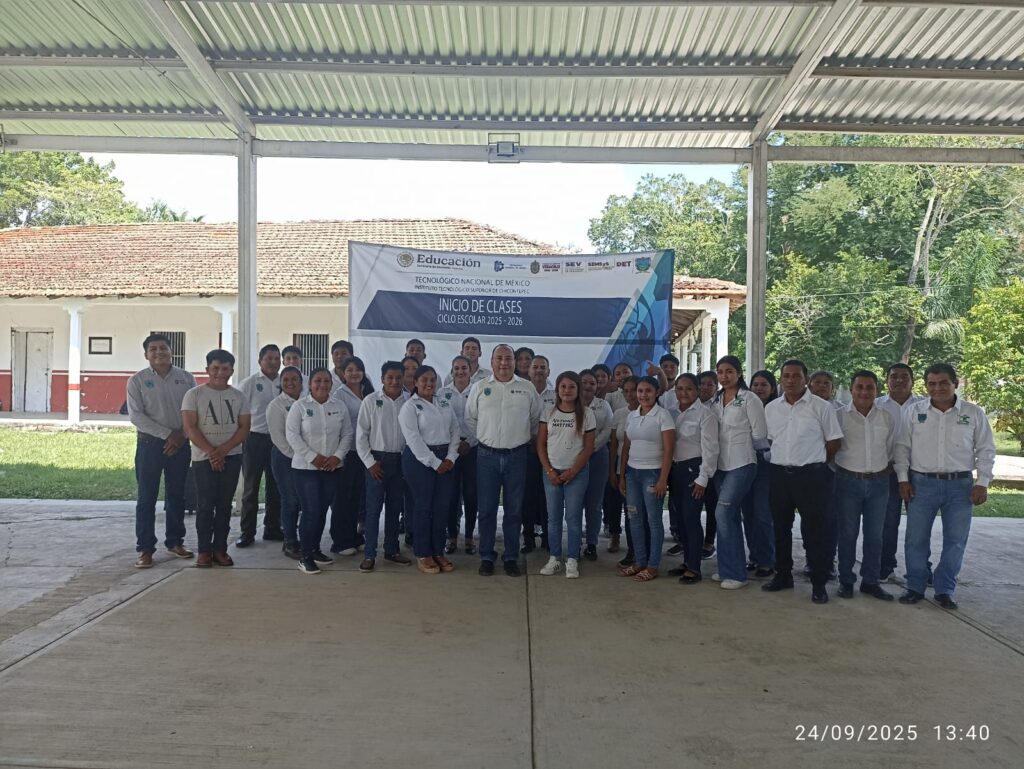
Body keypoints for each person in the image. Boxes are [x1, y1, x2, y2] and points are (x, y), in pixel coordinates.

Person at [895, 363, 995, 610]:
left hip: (960, 486)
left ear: (955, 384)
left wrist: (982, 482)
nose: (937, 388)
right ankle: (915, 586)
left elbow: (985, 449)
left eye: (943, 383)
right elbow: (902, 447)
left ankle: (945, 589)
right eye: (932, 383)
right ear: (926, 386)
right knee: (916, 539)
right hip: (921, 484)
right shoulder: (915, 412)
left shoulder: (973, 413)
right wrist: (903, 479)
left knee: (956, 540)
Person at [762, 360, 843, 604]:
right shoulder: (772, 408)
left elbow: (834, 442)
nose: (790, 380)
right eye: (786, 376)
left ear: (806, 379)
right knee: (780, 529)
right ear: (781, 379)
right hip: (779, 475)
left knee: (815, 531)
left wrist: (815, 462)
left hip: (812, 477)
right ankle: (783, 575)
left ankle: (819, 583)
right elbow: (772, 440)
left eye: (796, 376)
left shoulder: (821, 407)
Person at [465, 344, 542, 577]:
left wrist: (518, 438)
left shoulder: (527, 388)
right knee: (486, 509)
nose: (504, 363)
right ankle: (487, 556)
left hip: (517, 456)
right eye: (499, 358)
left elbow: (535, 420)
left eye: (508, 358)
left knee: (514, 510)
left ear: (514, 362)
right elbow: (471, 419)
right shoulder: (480, 387)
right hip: (486, 456)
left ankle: (510, 557)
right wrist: (486, 437)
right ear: (491, 362)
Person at [126, 333, 197, 568]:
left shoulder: (186, 378)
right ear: (146, 354)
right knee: (147, 497)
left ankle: (175, 542)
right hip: (150, 445)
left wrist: (182, 435)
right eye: (153, 349)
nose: (159, 352)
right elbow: (136, 416)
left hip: (180, 444)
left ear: (171, 351)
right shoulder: (137, 381)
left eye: (163, 348)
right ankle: (145, 549)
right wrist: (168, 435)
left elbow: (194, 410)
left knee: (177, 495)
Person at [181, 349, 251, 568]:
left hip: (231, 457)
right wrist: (212, 452)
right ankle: (204, 550)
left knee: (224, 505)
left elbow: (244, 427)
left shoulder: (239, 396)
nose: (220, 373)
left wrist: (223, 451)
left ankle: (220, 549)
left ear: (231, 370)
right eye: (215, 368)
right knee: (204, 504)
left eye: (225, 368)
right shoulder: (194, 395)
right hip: (203, 459)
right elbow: (190, 427)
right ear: (207, 369)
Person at [834, 370, 897, 601]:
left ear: (877, 390)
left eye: (869, 387)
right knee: (847, 534)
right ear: (851, 389)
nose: (864, 391)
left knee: (875, 536)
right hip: (847, 482)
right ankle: (846, 580)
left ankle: (870, 581)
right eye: (859, 387)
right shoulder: (839, 416)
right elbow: (831, 448)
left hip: (879, 483)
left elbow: (891, 448)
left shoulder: (886, 417)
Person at [286, 368, 353, 574]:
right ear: (310, 384)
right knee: (311, 510)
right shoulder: (300, 406)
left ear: (331, 384)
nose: (322, 384)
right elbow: (292, 435)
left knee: (322, 510)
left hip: (332, 468)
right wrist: (312, 457)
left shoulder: (339, 406)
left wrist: (337, 457)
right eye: (317, 381)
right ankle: (305, 556)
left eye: (326, 381)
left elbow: (347, 434)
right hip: (306, 468)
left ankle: (315, 549)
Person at [709, 355, 768, 590]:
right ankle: (728, 568)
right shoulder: (716, 400)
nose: (724, 376)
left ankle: (736, 574)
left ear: (739, 373)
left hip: (742, 463)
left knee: (722, 514)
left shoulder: (749, 399)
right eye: (720, 372)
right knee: (729, 516)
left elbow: (760, 434)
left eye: (729, 371)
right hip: (720, 465)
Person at [400, 365, 461, 574]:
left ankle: (438, 550)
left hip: (446, 458)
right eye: (424, 380)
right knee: (423, 507)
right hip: (420, 461)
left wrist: (451, 457)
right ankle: (423, 553)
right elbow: (413, 439)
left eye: (432, 380)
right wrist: (435, 463)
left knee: (441, 507)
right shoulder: (410, 406)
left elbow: (455, 430)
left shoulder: (444, 402)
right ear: (416, 382)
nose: (429, 384)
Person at [537, 371, 596, 578]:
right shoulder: (548, 412)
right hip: (551, 472)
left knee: (573, 517)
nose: (567, 390)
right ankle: (554, 558)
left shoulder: (587, 414)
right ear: (557, 389)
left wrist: (572, 471)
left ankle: (572, 559)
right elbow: (541, 444)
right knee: (553, 518)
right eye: (563, 386)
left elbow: (588, 448)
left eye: (572, 387)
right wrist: (549, 470)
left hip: (576, 474)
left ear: (578, 389)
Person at [355, 361, 412, 573]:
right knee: (373, 509)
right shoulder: (371, 401)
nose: (394, 381)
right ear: (382, 379)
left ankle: (391, 550)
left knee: (395, 508)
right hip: (377, 461)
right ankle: (370, 554)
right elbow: (361, 436)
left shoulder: (410, 401)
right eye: (390, 377)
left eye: (398, 377)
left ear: (404, 378)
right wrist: (370, 463)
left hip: (401, 461)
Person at [617, 376, 674, 582]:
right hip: (633, 474)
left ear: (657, 392)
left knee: (653, 520)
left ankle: (652, 565)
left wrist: (663, 480)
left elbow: (669, 450)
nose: (643, 395)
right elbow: (626, 447)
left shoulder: (663, 415)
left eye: (648, 390)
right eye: (640, 391)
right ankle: (639, 561)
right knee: (634, 518)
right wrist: (622, 475)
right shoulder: (632, 416)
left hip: (652, 473)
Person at [875, 363, 927, 582]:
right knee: (888, 521)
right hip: (888, 472)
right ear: (886, 380)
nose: (898, 380)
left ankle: (922, 568)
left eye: (904, 376)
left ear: (912, 381)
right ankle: (885, 565)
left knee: (920, 524)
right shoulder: (876, 405)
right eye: (894, 376)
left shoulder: (924, 406)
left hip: (917, 472)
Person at [667, 373, 719, 584]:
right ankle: (687, 561)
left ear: (697, 390)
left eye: (689, 388)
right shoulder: (671, 412)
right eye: (680, 389)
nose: (684, 393)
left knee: (691, 518)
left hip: (694, 470)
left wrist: (703, 478)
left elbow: (711, 449)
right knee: (680, 519)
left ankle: (695, 568)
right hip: (675, 470)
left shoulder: (705, 415)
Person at [236, 344, 283, 547]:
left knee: (276, 487)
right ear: (260, 361)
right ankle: (247, 532)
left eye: (277, 358)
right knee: (251, 488)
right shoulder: (249, 383)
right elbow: (238, 409)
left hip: (278, 441)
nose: (273, 362)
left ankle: (272, 528)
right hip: (254, 439)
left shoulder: (285, 381)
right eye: (269, 358)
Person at [328, 355, 370, 555]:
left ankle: (355, 536)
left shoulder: (368, 391)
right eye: (349, 370)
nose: (354, 373)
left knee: (357, 497)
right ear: (343, 374)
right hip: (347, 452)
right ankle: (340, 541)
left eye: (357, 369)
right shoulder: (339, 395)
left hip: (365, 451)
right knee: (342, 498)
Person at [440, 356, 479, 554]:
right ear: (452, 370)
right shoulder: (442, 393)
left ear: (470, 370)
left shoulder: (478, 390)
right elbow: (441, 422)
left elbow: (483, 420)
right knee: (451, 495)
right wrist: (455, 445)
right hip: (451, 450)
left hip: (473, 448)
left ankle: (470, 536)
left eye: (464, 368)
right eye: (456, 368)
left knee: (471, 494)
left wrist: (469, 442)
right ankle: (452, 537)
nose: (460, 371)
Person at [740, 369, 777, 577]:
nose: (759, 388)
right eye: (755, 384)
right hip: (745, 460)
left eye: (764, 385)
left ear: (772, 388)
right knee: (748, 513)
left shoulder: (777, 409)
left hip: (767, 464)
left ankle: (767, 560)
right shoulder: (744, 405)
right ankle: (754, 556)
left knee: (763, 514)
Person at [266, 366, 304, 559]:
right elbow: (278, 438)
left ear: (301, 382)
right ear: (280, 383)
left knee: (304, 500)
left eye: (294, 379)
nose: (290, 383)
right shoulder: (276, 405)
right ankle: (290, 541)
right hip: (285, 458)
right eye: (286, 379)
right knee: (290, 500)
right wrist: (299, 456)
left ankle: (304, 539)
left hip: (306, 458)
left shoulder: (307, 402)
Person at [579, 369, 615, 561]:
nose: (588, 386)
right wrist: (579, 450)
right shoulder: (569, 404)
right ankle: (575, 541)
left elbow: (607, 430)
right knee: (575, 501)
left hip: (597, 456)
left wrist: (590, 448)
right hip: (573, 457)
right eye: (584, 382)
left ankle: (591, 543)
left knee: (594, 503)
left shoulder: (603, 405)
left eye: (592, 383)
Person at [522, 354, 555, 552]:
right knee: (527, 496)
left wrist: (544, 441)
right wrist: (531, 439)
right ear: (529, 370)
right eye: (535, 367)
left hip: (550, 453)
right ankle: (528, 538)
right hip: (526, 450)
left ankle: (547, 538)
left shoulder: (556, 395)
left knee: (547, 496)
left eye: (543, 367)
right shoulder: (521, 392)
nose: (539, 371)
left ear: (548, 371)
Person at [609, 376, 642, 563]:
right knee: (630, 512)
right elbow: (614, 444)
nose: (630, 395)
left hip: (645, 468)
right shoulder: (620, 413)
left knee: (644, 513)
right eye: (626, 391)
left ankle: (644, 552)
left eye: (633, 390)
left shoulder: (653, 412)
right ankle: (632, 551)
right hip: (623, 468)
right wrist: (612, 472)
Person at [696, 369, 720, 558]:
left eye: (710, 384)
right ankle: (688, 541)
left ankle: (709, 542)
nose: (705, 387)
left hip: (714, 461)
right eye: (702, 384)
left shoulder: (719, 405)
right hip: (693, 460)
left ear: (716, 387)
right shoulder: (691, 404)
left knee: (712, 504)